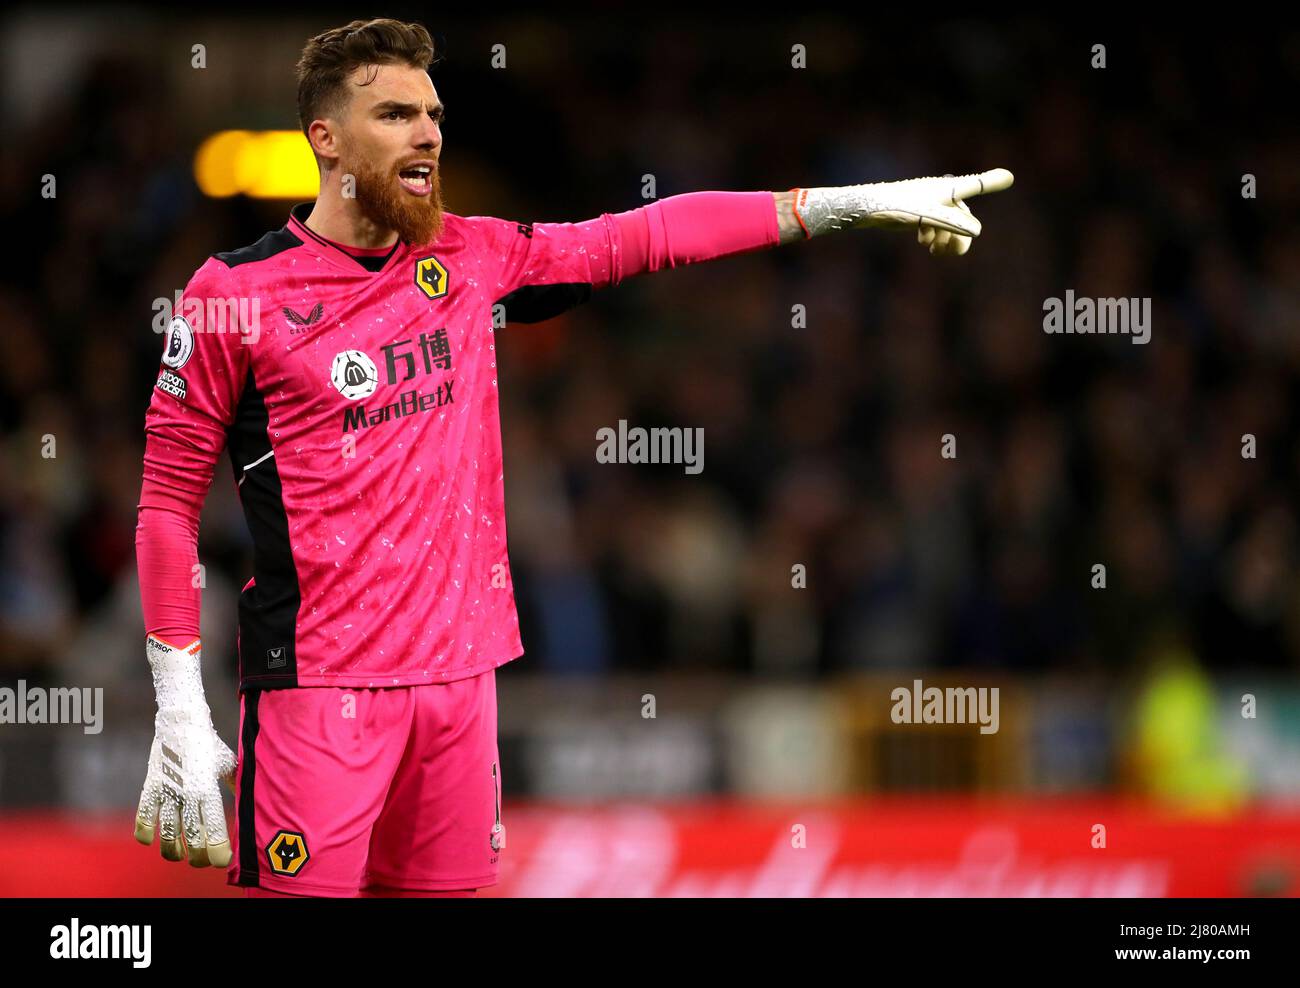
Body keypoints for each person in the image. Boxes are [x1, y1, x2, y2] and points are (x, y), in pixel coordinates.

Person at [133, 16, 1013, 898]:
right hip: (318, 689)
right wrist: (177, 695)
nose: (429, 133)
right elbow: (167, 504)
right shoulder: (233, 295)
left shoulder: (469, 257)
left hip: (461, 687)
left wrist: (843, 204)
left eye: (433, 114)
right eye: (397, 114)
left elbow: (647, 234)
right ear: (324, 138)